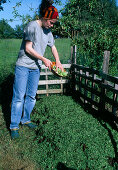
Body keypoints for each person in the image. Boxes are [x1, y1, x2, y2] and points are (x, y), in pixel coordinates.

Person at [10, 0, 63, 139]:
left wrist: (57, 61)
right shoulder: (32, 26)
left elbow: (53, 47)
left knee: (31, 96)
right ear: (45, 18)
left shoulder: (48, 31)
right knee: (19, 97)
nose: (52, 25)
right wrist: (44, 59)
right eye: (51, 22)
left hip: (35, 68)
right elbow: (28, 48)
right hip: (23, 66)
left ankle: (26, 119)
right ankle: (14, 126)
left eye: (53, 23)